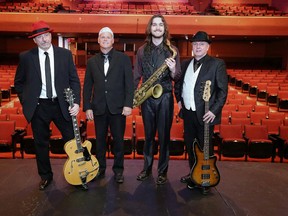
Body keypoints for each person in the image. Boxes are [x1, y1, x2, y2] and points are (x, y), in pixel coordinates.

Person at [14, 21, 81, 190]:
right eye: (39, 37)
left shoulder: (65, 55)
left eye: (46, 35)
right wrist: (26, 101)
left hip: (61, 104)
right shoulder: (26, 57)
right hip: (39, 106)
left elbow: (74, 80)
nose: (43, 40)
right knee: (40, 143)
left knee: (71, 141)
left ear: (51, 36)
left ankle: (78, 172)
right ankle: (46, 176)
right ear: (34, 41)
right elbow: (19, 83)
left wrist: (77, 102)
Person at [174, 31, 228, 195]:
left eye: (201, 44)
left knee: (205, 148)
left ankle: (205, 180)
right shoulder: (185, 63)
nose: (198, 47)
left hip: (205, 114)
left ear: (208, 47)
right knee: (191, 146)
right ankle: (193, 174)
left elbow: (222, 91)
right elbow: (178, 84)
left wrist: (214, 110)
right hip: (188, 113)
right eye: (195, 44)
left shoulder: (217, 64)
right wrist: (179, 100)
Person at [134, 14, 181, 185]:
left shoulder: (172, 50)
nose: (158, 27)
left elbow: (177, 77)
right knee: (148, 137)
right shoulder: (141, 50)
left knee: (164, 137)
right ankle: (146, 169)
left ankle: (162, 172)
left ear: (164, 28)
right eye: (154, 25)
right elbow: (136, 75)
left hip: (165, 98)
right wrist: (132, 97)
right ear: (150, 28)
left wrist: (173, 68)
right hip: (147, 98)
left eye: (161, 25)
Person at [83, 27, 134, 184]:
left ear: (113, 40)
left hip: (118, 108)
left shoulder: (123, 59)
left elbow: (129, 84)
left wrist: (128, 104)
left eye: (108, 37)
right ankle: (100, 169)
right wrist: (87, 107)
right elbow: (87, 86)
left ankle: (118, 171)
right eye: (102, 37)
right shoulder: (91, 62)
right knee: (100, 142)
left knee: (118, 141)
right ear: (98, 40)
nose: (105, 40)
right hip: (98, 108)